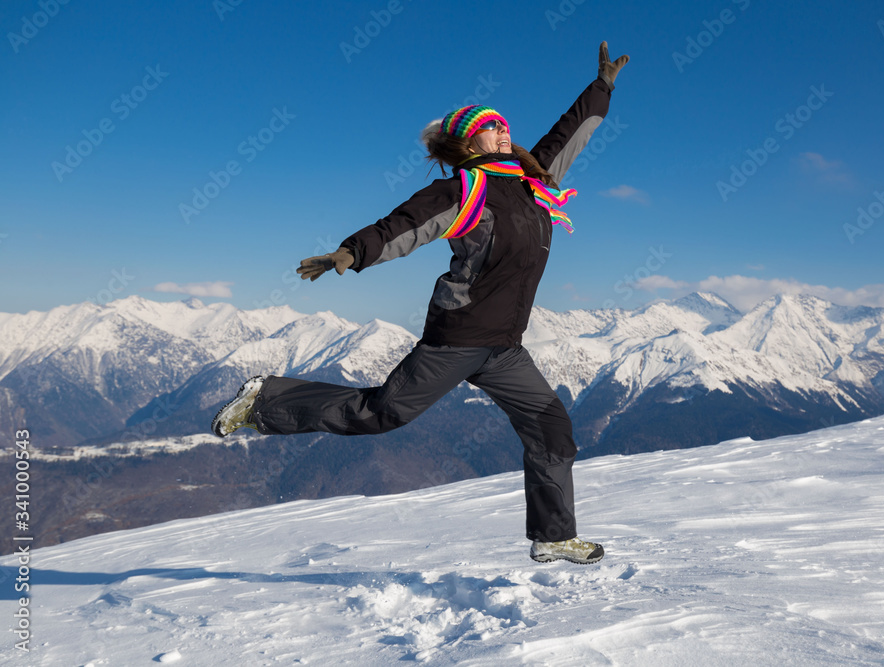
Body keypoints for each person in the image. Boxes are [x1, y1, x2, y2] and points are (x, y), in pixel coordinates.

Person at [212, 42, 629, 565]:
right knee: (381, 413)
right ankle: (265, 400)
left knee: (552, 429)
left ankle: (553, 535)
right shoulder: (463, 190)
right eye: (490, 127)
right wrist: (352, 252)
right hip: (458, 338)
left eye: (504, 125)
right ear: (467, 143)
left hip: (505, 348)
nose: (503, 131)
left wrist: (601, 86)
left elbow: (568, 134)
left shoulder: (534, 182)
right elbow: (403, 225)